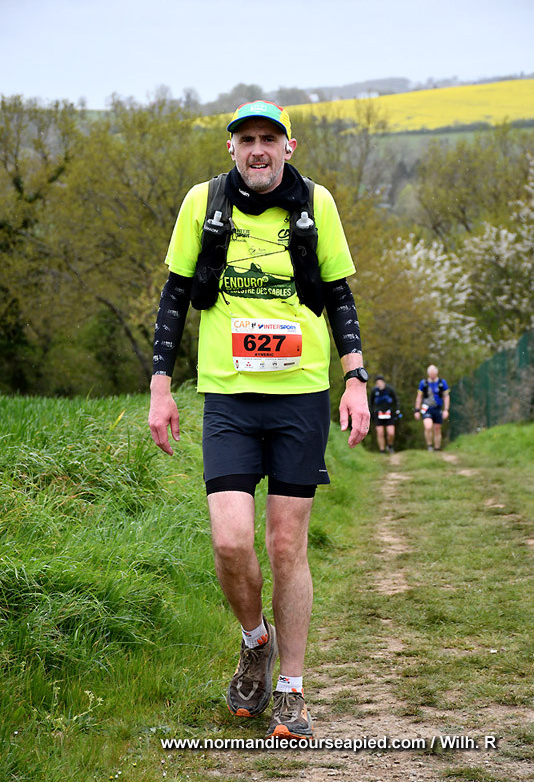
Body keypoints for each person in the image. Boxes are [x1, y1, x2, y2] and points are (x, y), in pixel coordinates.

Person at [148, 101, 370, 739]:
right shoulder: (204, 203)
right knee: (230, 541)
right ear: (232, 148)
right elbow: (175, 294)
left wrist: (356, 380)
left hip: (300, 394)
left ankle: (292, 691)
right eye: (246, 139)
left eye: (269, 139)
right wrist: (160, 387)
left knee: (285, 546)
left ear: (288, 146)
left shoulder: (316, 205)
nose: (258, 149)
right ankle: (255, 642)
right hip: (229, 397)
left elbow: (339, 295)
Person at [414, 364, 450, 450]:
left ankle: (437, 448)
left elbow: (446, 396)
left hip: (437, 408)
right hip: (427, 408)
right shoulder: (423, 383)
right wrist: (417, 410)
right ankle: (429, 445)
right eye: (431, 373)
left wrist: (446, 410)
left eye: (433, 373)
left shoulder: (442, 383)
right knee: (428, 426)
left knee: (437, 428)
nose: (432, 375)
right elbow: (419, 396)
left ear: (436, 373)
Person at [369, 374, 400, 453]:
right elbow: (371, 402)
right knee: (380, 433)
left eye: (380, 382)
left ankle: (389, 446)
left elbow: (396, 400)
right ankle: (382, 450)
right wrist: (371, 413)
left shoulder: (390, 389)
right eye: (377, 382)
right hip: (378, 414)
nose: (379, 384)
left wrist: (397, 410)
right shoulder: (374, 391)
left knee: (391, 432)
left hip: (389, 413)